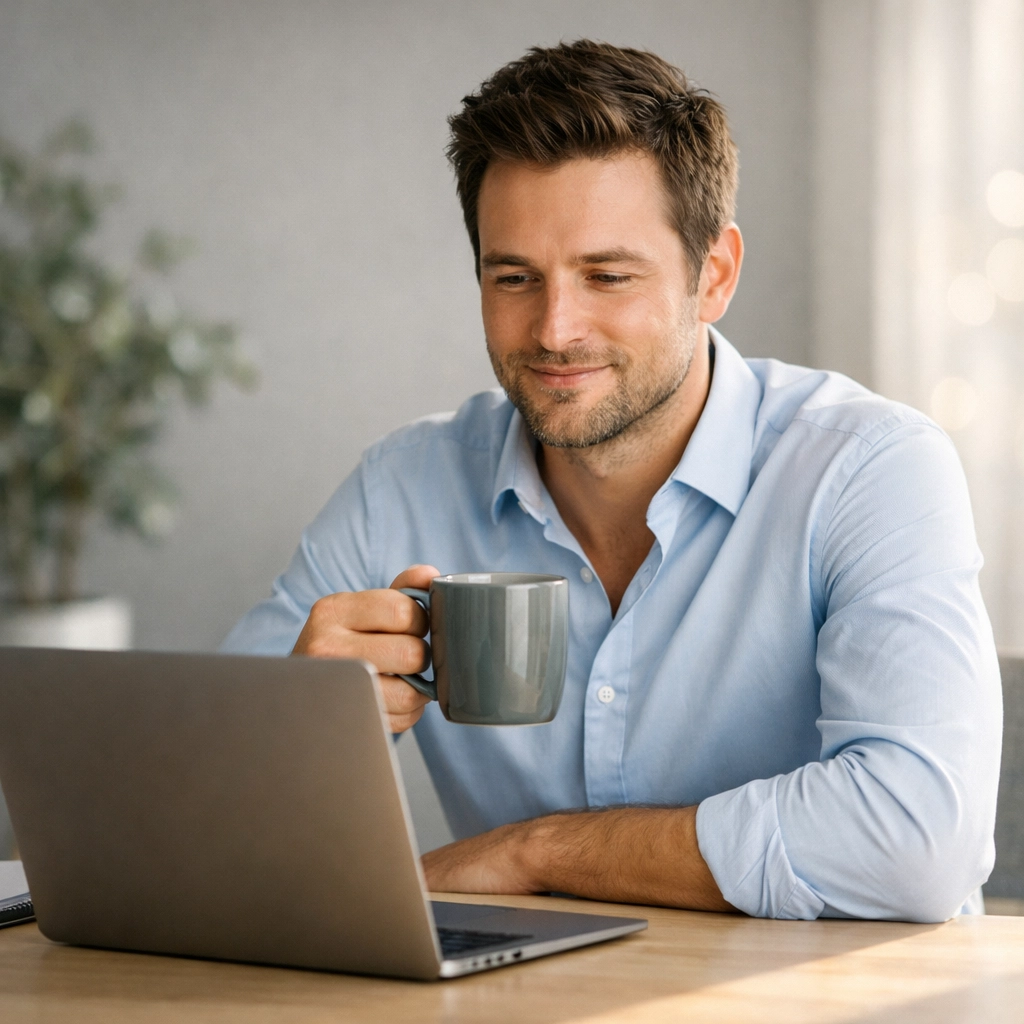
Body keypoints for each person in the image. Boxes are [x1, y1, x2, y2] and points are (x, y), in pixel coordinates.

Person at [223, 40, 1002, 921]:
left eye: (607, 276)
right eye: (513, 277)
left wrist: (534, 855)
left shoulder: (869, 469)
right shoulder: (402, 486)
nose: (555, 329)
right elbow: (189, 816)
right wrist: (296, 733)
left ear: (713, 275)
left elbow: (918, 843)